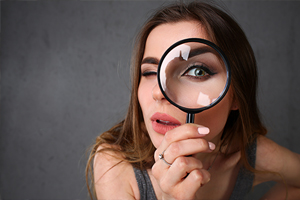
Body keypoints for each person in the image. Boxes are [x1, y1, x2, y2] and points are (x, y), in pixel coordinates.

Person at [86, 1, 300, 199]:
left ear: (236, 94)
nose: (158, 93)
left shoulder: (253, 156)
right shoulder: (114, 164)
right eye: (150, 72)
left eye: (197, 71)